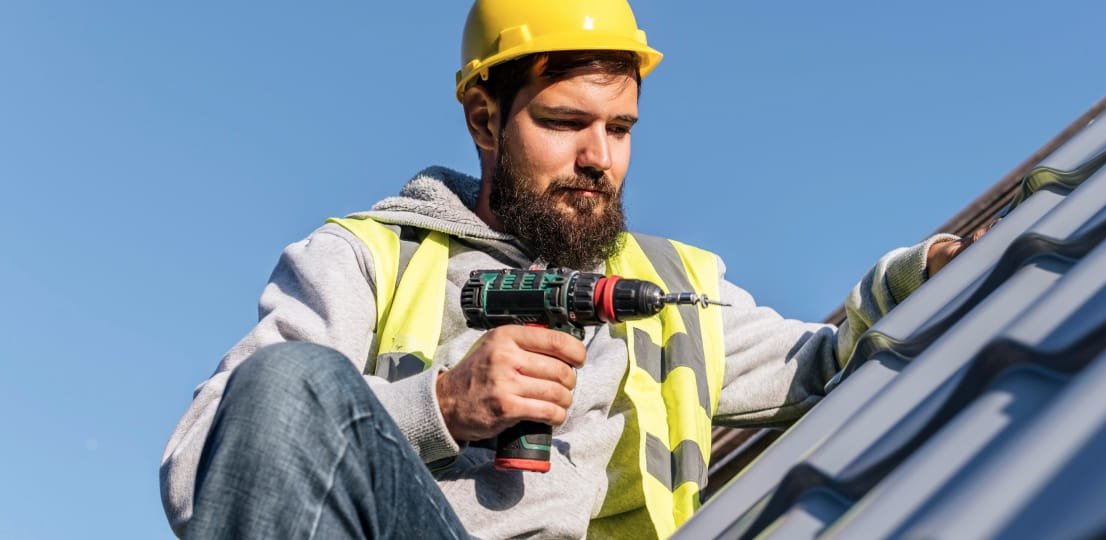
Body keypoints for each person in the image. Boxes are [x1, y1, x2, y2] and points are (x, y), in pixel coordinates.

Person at [160, 1, 975, 538]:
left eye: (620, 128)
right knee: (287, 380)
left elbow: (828, 362)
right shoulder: (370, 259)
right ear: (486, 118)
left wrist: (921, 275)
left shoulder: (670, 285)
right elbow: (209, 464)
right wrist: (440, 404)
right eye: (564, 122)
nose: (599, 158)